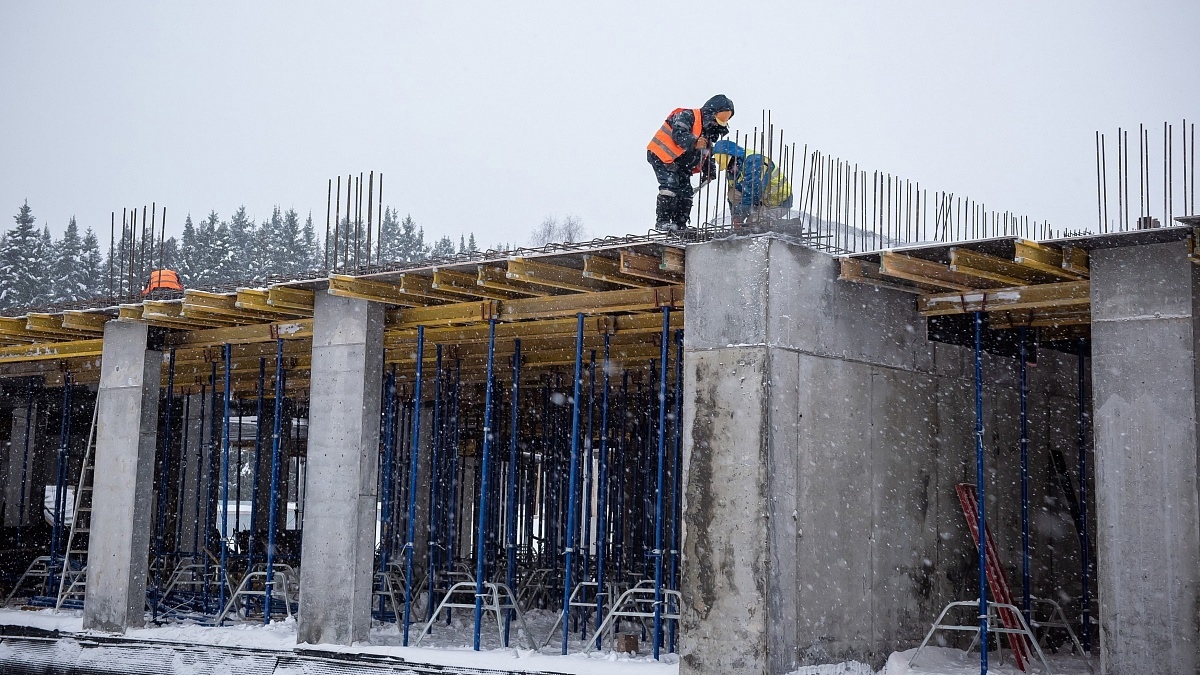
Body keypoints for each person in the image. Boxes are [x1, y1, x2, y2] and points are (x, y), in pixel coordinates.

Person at [646, 95, 735, 231]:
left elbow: (706, 151)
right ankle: (663, 222)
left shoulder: (708, 130)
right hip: (662, 155)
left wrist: (708, 169)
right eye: (719, 119)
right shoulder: (687, 115)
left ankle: (679, 225)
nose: (718, 123)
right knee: (670, 186)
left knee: (686, 192)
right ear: (711, 113)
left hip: (679, 162)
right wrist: (694, 141)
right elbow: (679, 133)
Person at [711, 139, 794, 225]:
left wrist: (739, 217)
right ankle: (757, 218)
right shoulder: (732, 170)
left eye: (730, 166)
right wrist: (735, 217)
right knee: (733, 194)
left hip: (778, 202)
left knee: (754, 224)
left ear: (734, 158)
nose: (730, 170)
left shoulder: (754, 161)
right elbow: (733, 198)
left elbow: (753, 192)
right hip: (761, 201)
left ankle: (786, 226)